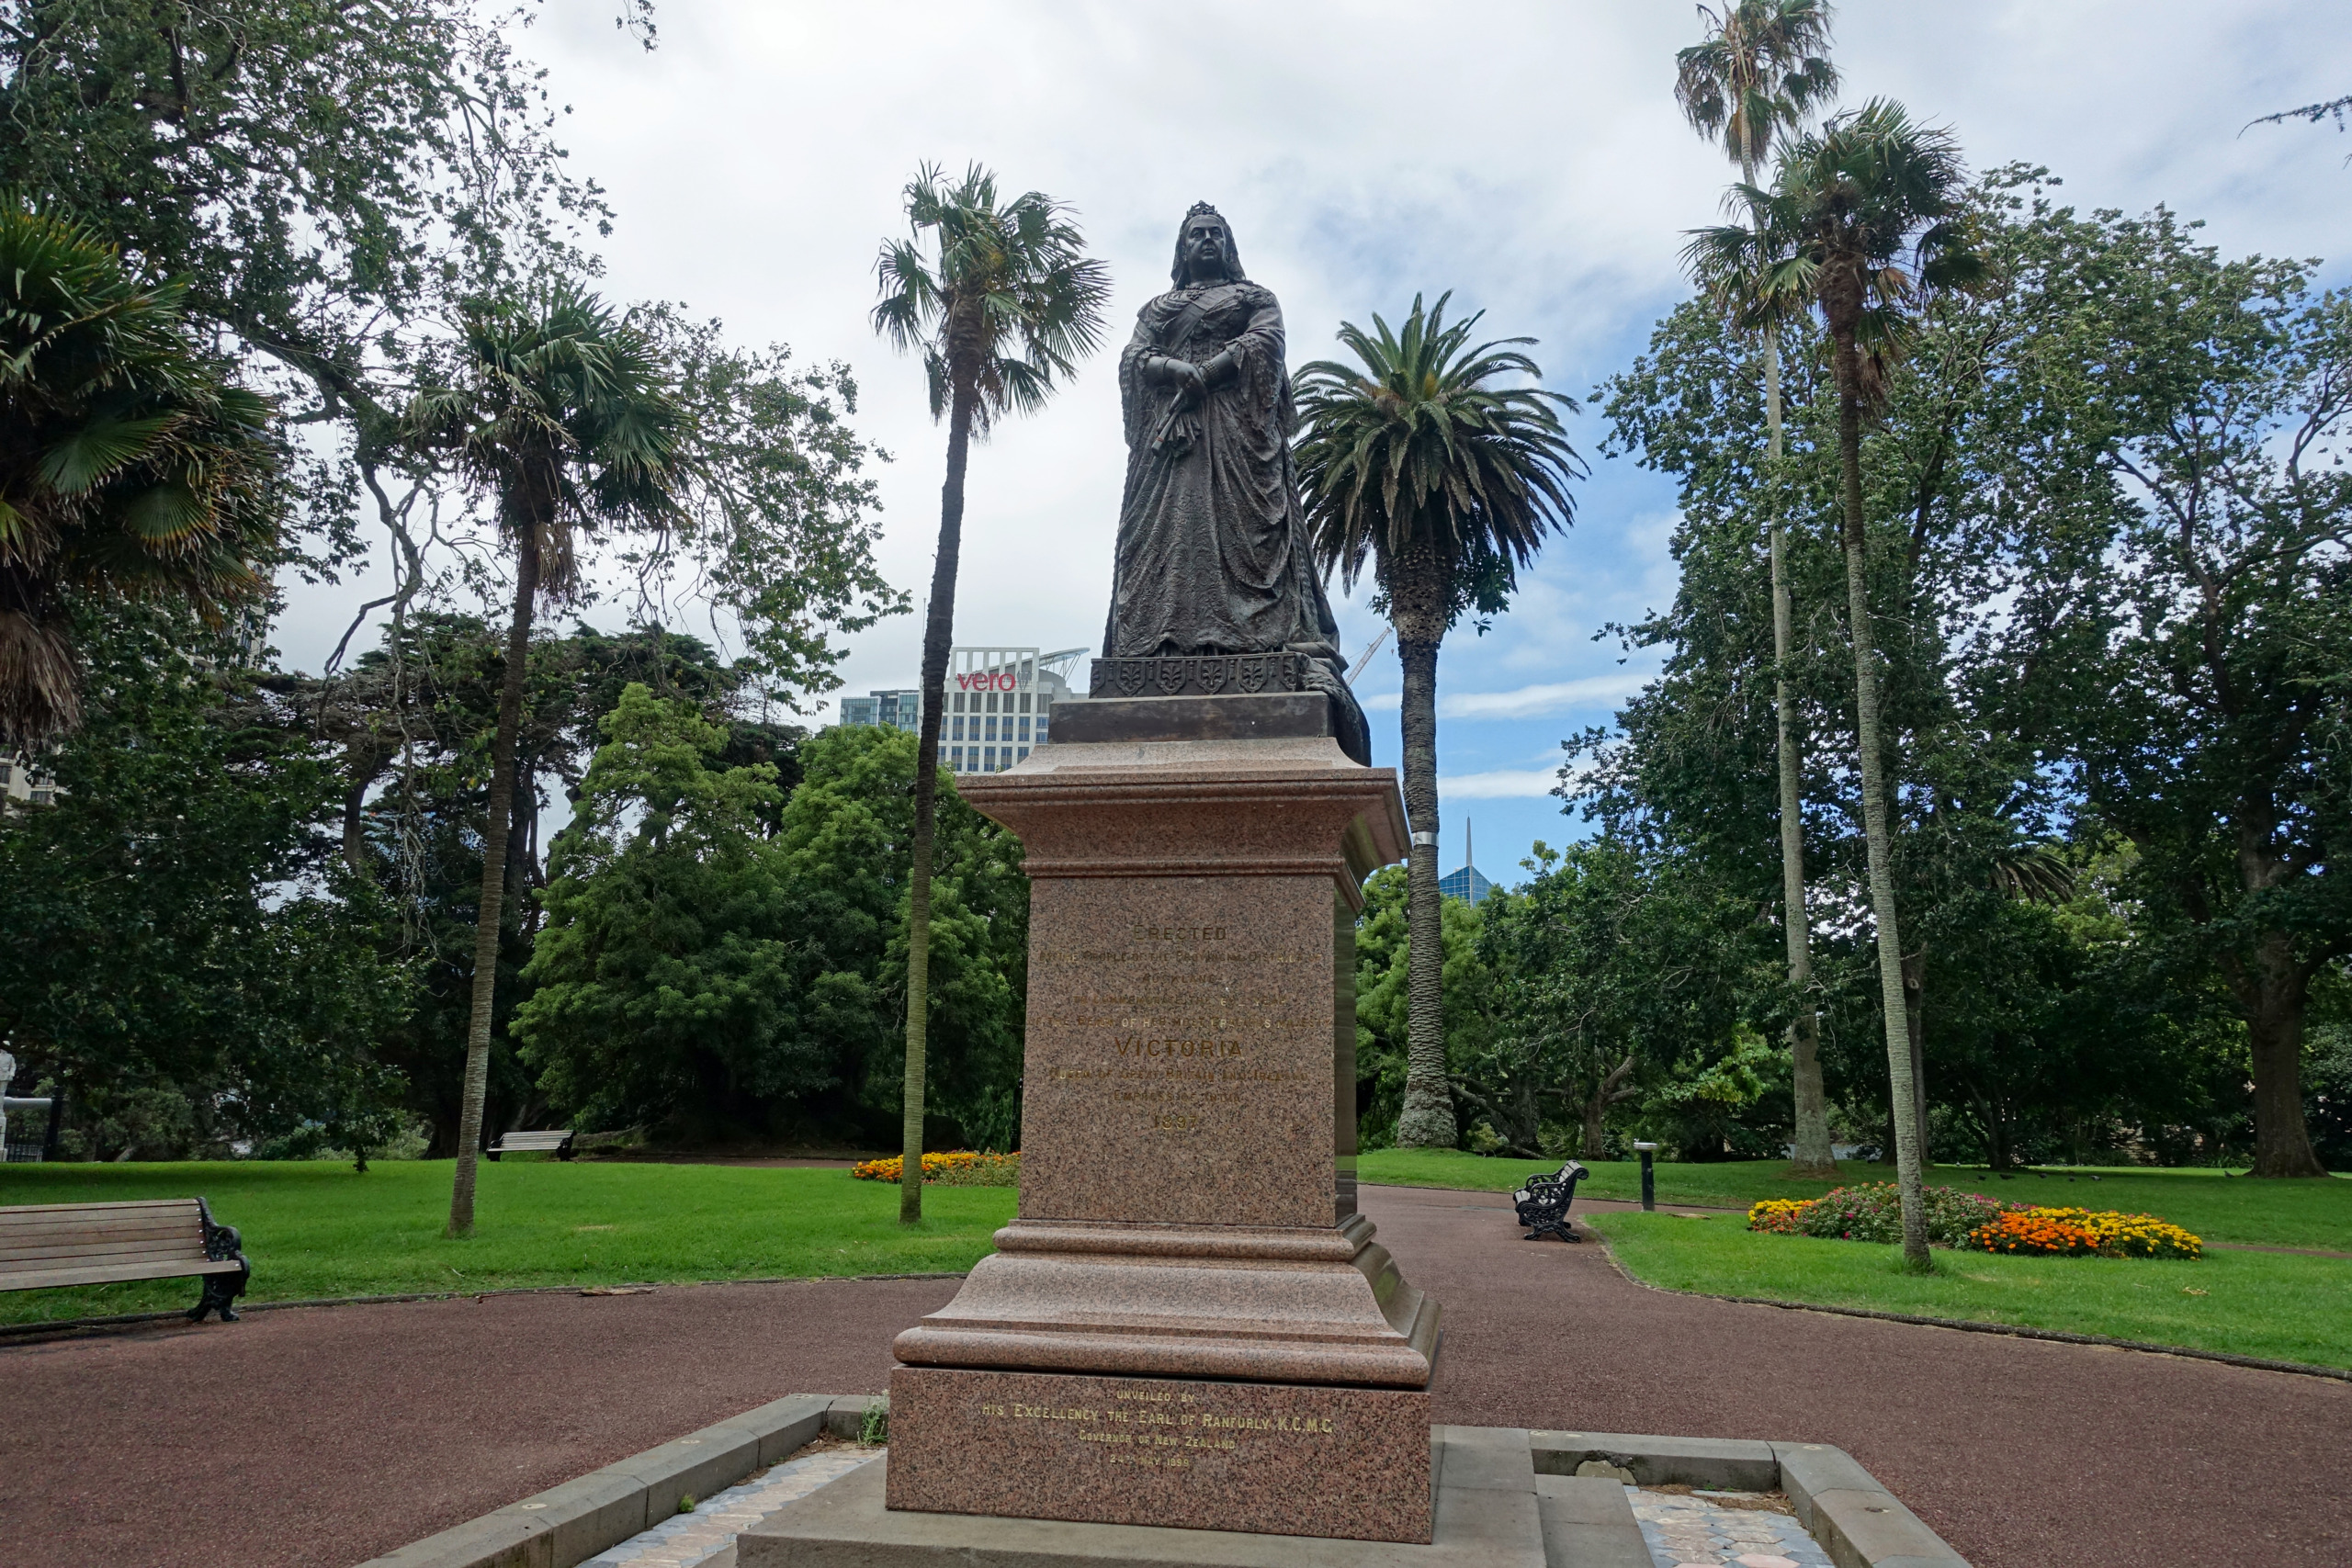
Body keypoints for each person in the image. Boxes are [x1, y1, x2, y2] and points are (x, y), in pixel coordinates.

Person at [1103, 202, 1369, 762]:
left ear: (1228, 245)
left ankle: (1254, 641)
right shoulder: (1157, 307)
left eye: (1215, 234)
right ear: (1182, 249)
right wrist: (1176, 371)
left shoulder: (1254, 298)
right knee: (1166, 538)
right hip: (1171, 440)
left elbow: (1266, 343)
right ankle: (1161, 645)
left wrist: (1211, 372)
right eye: (1196, 235)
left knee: (1242, 532)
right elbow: (1133, 356)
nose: (1206, 240)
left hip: (1238, 437)